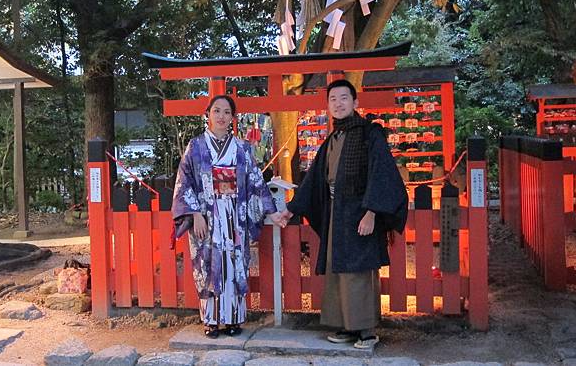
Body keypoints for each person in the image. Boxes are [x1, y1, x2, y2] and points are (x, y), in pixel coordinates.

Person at [282, 79, 408, 349]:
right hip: (336, 213)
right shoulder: (332, 139)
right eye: (333, 100)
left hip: (360, 213)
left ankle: (366, 332)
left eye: (343, 98)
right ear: (328, 105)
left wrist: (372, 212)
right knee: (337, 270)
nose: (338, 104)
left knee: (359, 273)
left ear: (355, 102)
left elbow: (382, 174)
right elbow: (315, 179)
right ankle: (346, 328)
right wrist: (291, 209)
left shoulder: (369, 134)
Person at [172, 94, 287, 338]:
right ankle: (211, 320)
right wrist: (195, 213)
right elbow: (184, 182)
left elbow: (256, 182)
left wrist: (272, 212)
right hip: (207, 215)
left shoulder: (243, 148)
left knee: (235, 264)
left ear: (232, 118)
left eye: (226, 112)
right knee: (208, 264)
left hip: (236, 214)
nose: (221, 116)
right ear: (208, 115)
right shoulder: (196, 146)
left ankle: (234, 318)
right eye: (217, 111)